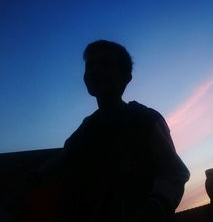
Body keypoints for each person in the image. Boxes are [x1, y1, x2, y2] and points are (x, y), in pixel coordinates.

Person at [33, 40, 190, 222]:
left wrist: (154, 207)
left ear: (126, 77)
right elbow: (62, 160)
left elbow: (175, 172)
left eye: (105, 64)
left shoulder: (145, 119)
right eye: (90, 65)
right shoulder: (85, 130)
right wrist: (36, 175)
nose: (95, 70)